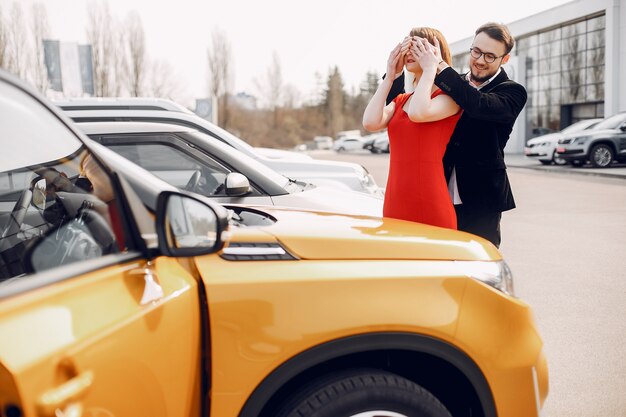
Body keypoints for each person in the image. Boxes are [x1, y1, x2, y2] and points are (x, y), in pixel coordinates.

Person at [387, 22, 527, 248]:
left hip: (480, 198)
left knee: (478, 265)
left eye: (490, 56)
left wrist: (438, 65)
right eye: (477, 51)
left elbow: (477, 104)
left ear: (505, 59)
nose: (480, 60)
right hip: (437, 192)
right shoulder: (451, 83)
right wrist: (396, 71)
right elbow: (403, 109)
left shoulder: (512, 91)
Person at [363, 27, 462, 229]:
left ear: (435, 53)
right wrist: (390, 76)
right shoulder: (400, 101)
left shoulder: (449, 99)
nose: (410, 53)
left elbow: (419, 113)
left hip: (430, 202)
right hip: (395, 201)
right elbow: (370, 122)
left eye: (418, 47)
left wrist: (430, 69)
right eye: (407, 47)